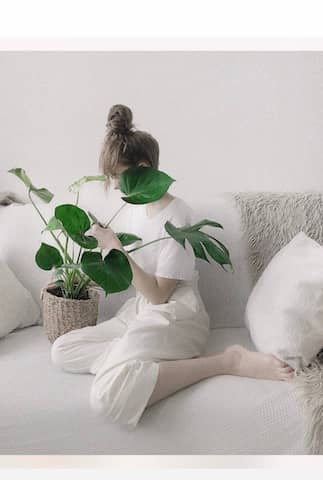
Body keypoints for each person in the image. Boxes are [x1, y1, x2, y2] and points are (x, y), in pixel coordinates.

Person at [52, 104, 294, 427]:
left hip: (176, 317)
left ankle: (226, 361)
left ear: (143, 168)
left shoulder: (178, 216)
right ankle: (131, 358)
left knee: (106, 396)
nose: (111, 185)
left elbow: (158, 295)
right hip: (139, 314)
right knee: (62, 350)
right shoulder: (134, 210)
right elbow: (135, 288)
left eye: (116, 176)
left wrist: (117, 248)